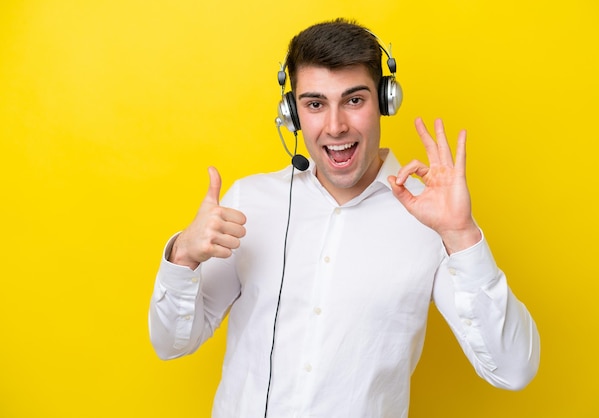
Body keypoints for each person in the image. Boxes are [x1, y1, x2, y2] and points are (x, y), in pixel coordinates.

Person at [149, 18, 540, 417]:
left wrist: (461, 236)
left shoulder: (434, 221)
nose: (335, 126)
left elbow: (514, 370)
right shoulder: (250, 200)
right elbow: (171, 342)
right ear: (293, 114)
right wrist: (182, 256)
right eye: (315, 104)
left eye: (354, 100)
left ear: (386, 102)